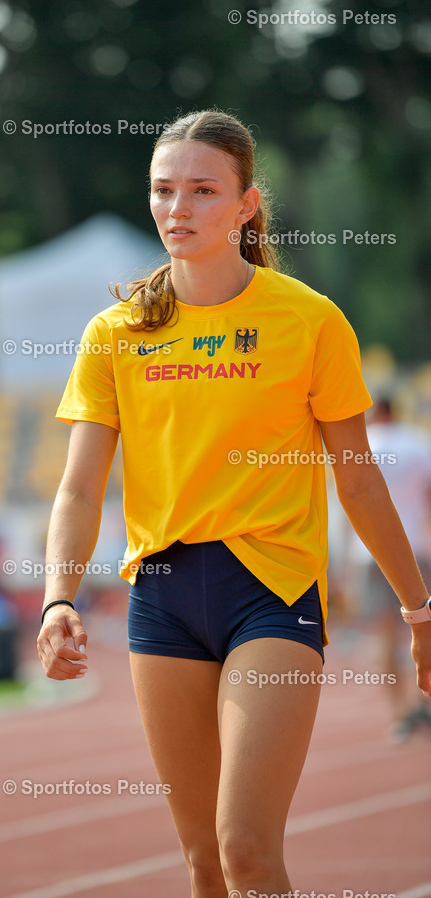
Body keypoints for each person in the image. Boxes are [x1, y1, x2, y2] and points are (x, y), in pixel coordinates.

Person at [35, 110, 431, 897]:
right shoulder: (115, 334)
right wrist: (56, 601)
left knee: (245, 846)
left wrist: (419, 612)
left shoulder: (309, 321)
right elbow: (79, 489)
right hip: (162, 600)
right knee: (202, 864)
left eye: (202, 191)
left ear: (247, 205)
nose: (177, 209)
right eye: (162, 190)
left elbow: (355, 478)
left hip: (271, 592)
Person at [345, 396, 431, 742]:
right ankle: (423, 702)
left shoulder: (364, 445)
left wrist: (345, 566)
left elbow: (349, 500)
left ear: (374, 413)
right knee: (426, 630)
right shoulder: (418, 442)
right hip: (418, 550)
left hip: (369, 554)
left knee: (384, 637)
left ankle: (400, 713)